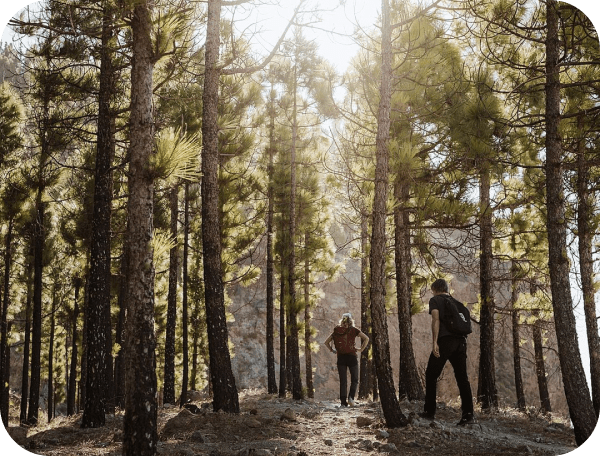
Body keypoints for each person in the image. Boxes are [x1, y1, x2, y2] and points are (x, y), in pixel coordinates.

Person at [420, 278, 475, 425]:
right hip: (461, 342)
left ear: (436, 290)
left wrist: (434, 342)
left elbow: (436, 319)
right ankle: (468, 415)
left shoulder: (435, 300)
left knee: (431, 375)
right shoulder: (457, 303)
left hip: (445, 341)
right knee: (462, 378)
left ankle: (429, 412)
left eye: (432, 291)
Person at [324, 313, 369, 407]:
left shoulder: (336, 331)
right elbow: (366, 338)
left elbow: (326, 342)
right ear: (350, 320)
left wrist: (332, 350)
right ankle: (351, 398)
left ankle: (343, 403)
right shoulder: (353, 330)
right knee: (355, 379)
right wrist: (361, 349)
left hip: (341, 358)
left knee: (343, 381)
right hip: (352, 357)